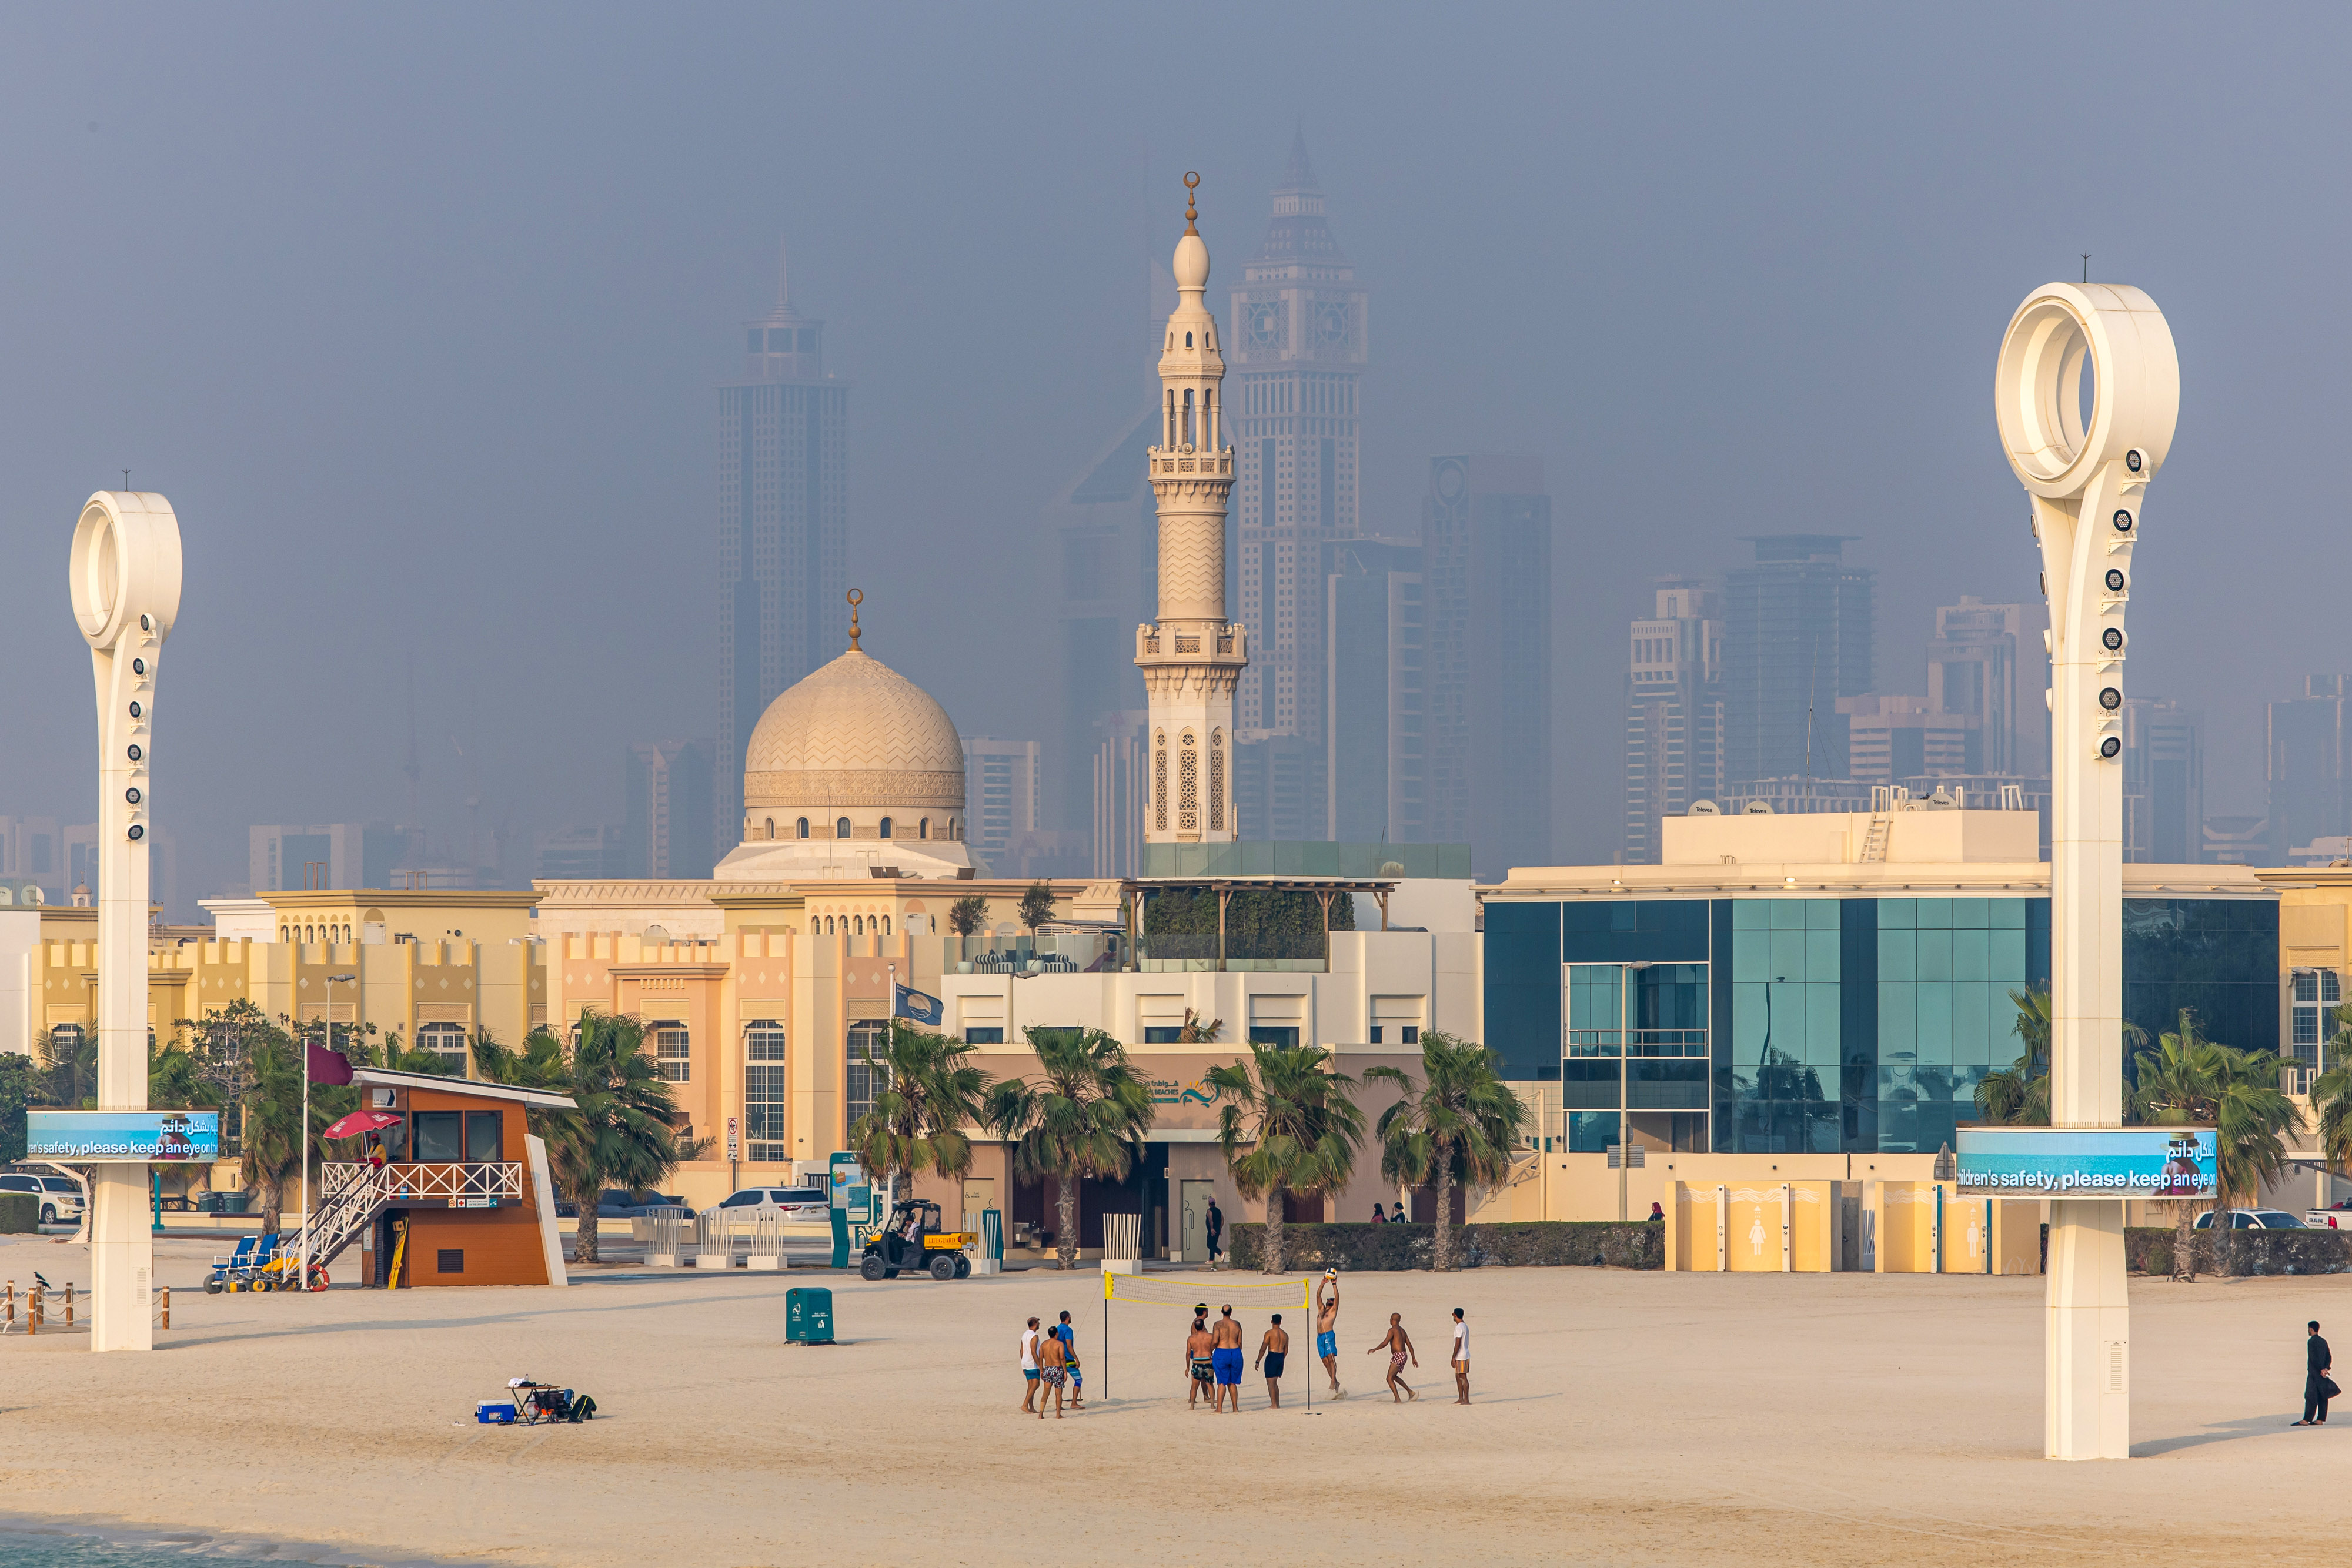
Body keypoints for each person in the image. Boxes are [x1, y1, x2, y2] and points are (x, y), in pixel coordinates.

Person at [1367, 1310, 1417, 1402]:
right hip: (1404, 1355)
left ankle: (1398, 1399)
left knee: (1389, 1378)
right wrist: (1413, 1358)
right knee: (1393, 1377)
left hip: (1399, 1355)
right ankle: (1410, 1392)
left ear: (1392, 1320)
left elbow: (1385, 1343)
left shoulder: (1392, 1330)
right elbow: (1410, 1345)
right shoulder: (1402, 1330)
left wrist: (1375, 1349)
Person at [1212, 1303, 1247, 1412]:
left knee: (1222, 1382)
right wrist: (1237, 1351)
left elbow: (1215, 1341)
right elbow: (1240, 1341)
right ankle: (1235, 1408)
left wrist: (1210, 1351)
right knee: (1232, 1382)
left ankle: (1219, 1409)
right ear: (1231, 1312)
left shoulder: (1218, 1324)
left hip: (1222, 1352)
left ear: (1222, 1312)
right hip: (1235, 1352)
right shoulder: (1237, 1324)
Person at [1315, 1269, 1345, 1398]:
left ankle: (1333, 1381)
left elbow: (1337, 1298)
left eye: (1330, 1301)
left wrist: (1334, 1285)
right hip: (1319, 1338)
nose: (1329, 1301)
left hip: (1329, 1335)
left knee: (1331, 1359)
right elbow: (1318, 1296)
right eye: (1328, 1300)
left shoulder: (1333, 1312)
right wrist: (1323, 1283)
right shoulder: (1321, 1309)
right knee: (1325, 1361)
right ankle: (1336, 1381)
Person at [2299, 1319, 2334, 1426]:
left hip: (2315, 1374)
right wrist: (2326, 1369)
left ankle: (2306, 1420)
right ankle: (2320, 1419)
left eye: (2308, 1328)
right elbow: (2329, 1356)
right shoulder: (2323, 1341)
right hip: (2323, 1374)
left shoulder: (2312, 1341)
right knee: (2323, 1396)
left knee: (2310, 1396)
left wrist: (2321, 1369)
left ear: (2311, 1329)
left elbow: (2314, 1359)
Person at [1035, 1322, 1070, 1418]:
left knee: (1046, 1392)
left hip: (1047, 1368)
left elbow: (1040, 1358)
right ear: (1056, 1334)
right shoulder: (1059, 1344)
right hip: (1057, 1369)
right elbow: (1062, 1358)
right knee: (1058, 1393)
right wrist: (1065, 1371)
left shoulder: (1044, 1344)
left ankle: (1041, 1414)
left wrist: (1042, 1370)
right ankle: (1058, 1414)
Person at [1053, 1309, 1084, 1411]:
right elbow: (1069, 1346)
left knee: (1061, 1381)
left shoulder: (1057, 1329)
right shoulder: (1068, 1330)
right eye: (1070, 1316)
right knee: (1078, 1380)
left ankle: (1059, 1404)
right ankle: (1074, 1403)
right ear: (1067, 1318)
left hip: (1059, 1358)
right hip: (1068, 1359)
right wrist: (1076, 1358)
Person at [1185, 1313, 1217, 1410]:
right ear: (1203, 1326)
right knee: (1210, 1384)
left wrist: (1187, 1367)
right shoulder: (1210, 1336)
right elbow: (1216, 1344)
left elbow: (1188, 1353)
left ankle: (1192, 1406)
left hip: (1197, 1362)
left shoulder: (1191, 1338)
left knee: (1194, 1386)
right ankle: (1212, 1405)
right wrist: (1211, 1352)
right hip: (1208, 1362)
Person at [1258, 1312, 1289, 1409]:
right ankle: (1277, 1404)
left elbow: (1264, 1347)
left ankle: (1274, 1404)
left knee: (1270, 1382)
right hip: (1280, 1357)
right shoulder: (1285, 1335)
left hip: (1272, 1355)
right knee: (1275, 1382)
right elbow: (1286, 1351)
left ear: (1272, 1321)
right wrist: (1281, 1359)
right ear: (1281, 1322)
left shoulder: (1269, 1333)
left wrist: (1258, 1361)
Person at [1019, 1316, 1043, 1415]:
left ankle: (1031, 1407)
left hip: (1026, 1361)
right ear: (1035, 1324)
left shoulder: (1025, 1335)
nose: (1039, 1324)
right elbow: (1034, 1352)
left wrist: (1023, 1365)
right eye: (1038, 1322)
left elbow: (1021, 1350)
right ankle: (1025, 1405)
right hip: (1032, 1363)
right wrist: (1041, 1367)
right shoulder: (1034, 1336)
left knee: (1031, 1386)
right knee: (1036, 1384)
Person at [1450, 1307, 1471, 1404]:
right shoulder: (1465, 1326)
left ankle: (1466, 1399)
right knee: (1458, 1376)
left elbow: (1457, 1344)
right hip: (1463, 1354)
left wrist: (1453, 1357)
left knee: (1463, 1377)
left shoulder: (1459, 1328)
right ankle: (1461, 1398)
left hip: (1462, 1355)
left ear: (1455, 1315)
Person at [1204, 1196, 1225, 1269]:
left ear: (1209, 1204)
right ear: (1215, 1204)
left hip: (1212, 1230)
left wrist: (1212, 1229)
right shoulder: (1219, 1211)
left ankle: (1221, 1253)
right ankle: (1211, 1260)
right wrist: (1220, 1228)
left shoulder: (1209, 1211)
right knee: (1213, 1244)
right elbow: (1223, 1220)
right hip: (1218, 1230)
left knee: (1209, 1245)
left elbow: (1210, 1220)